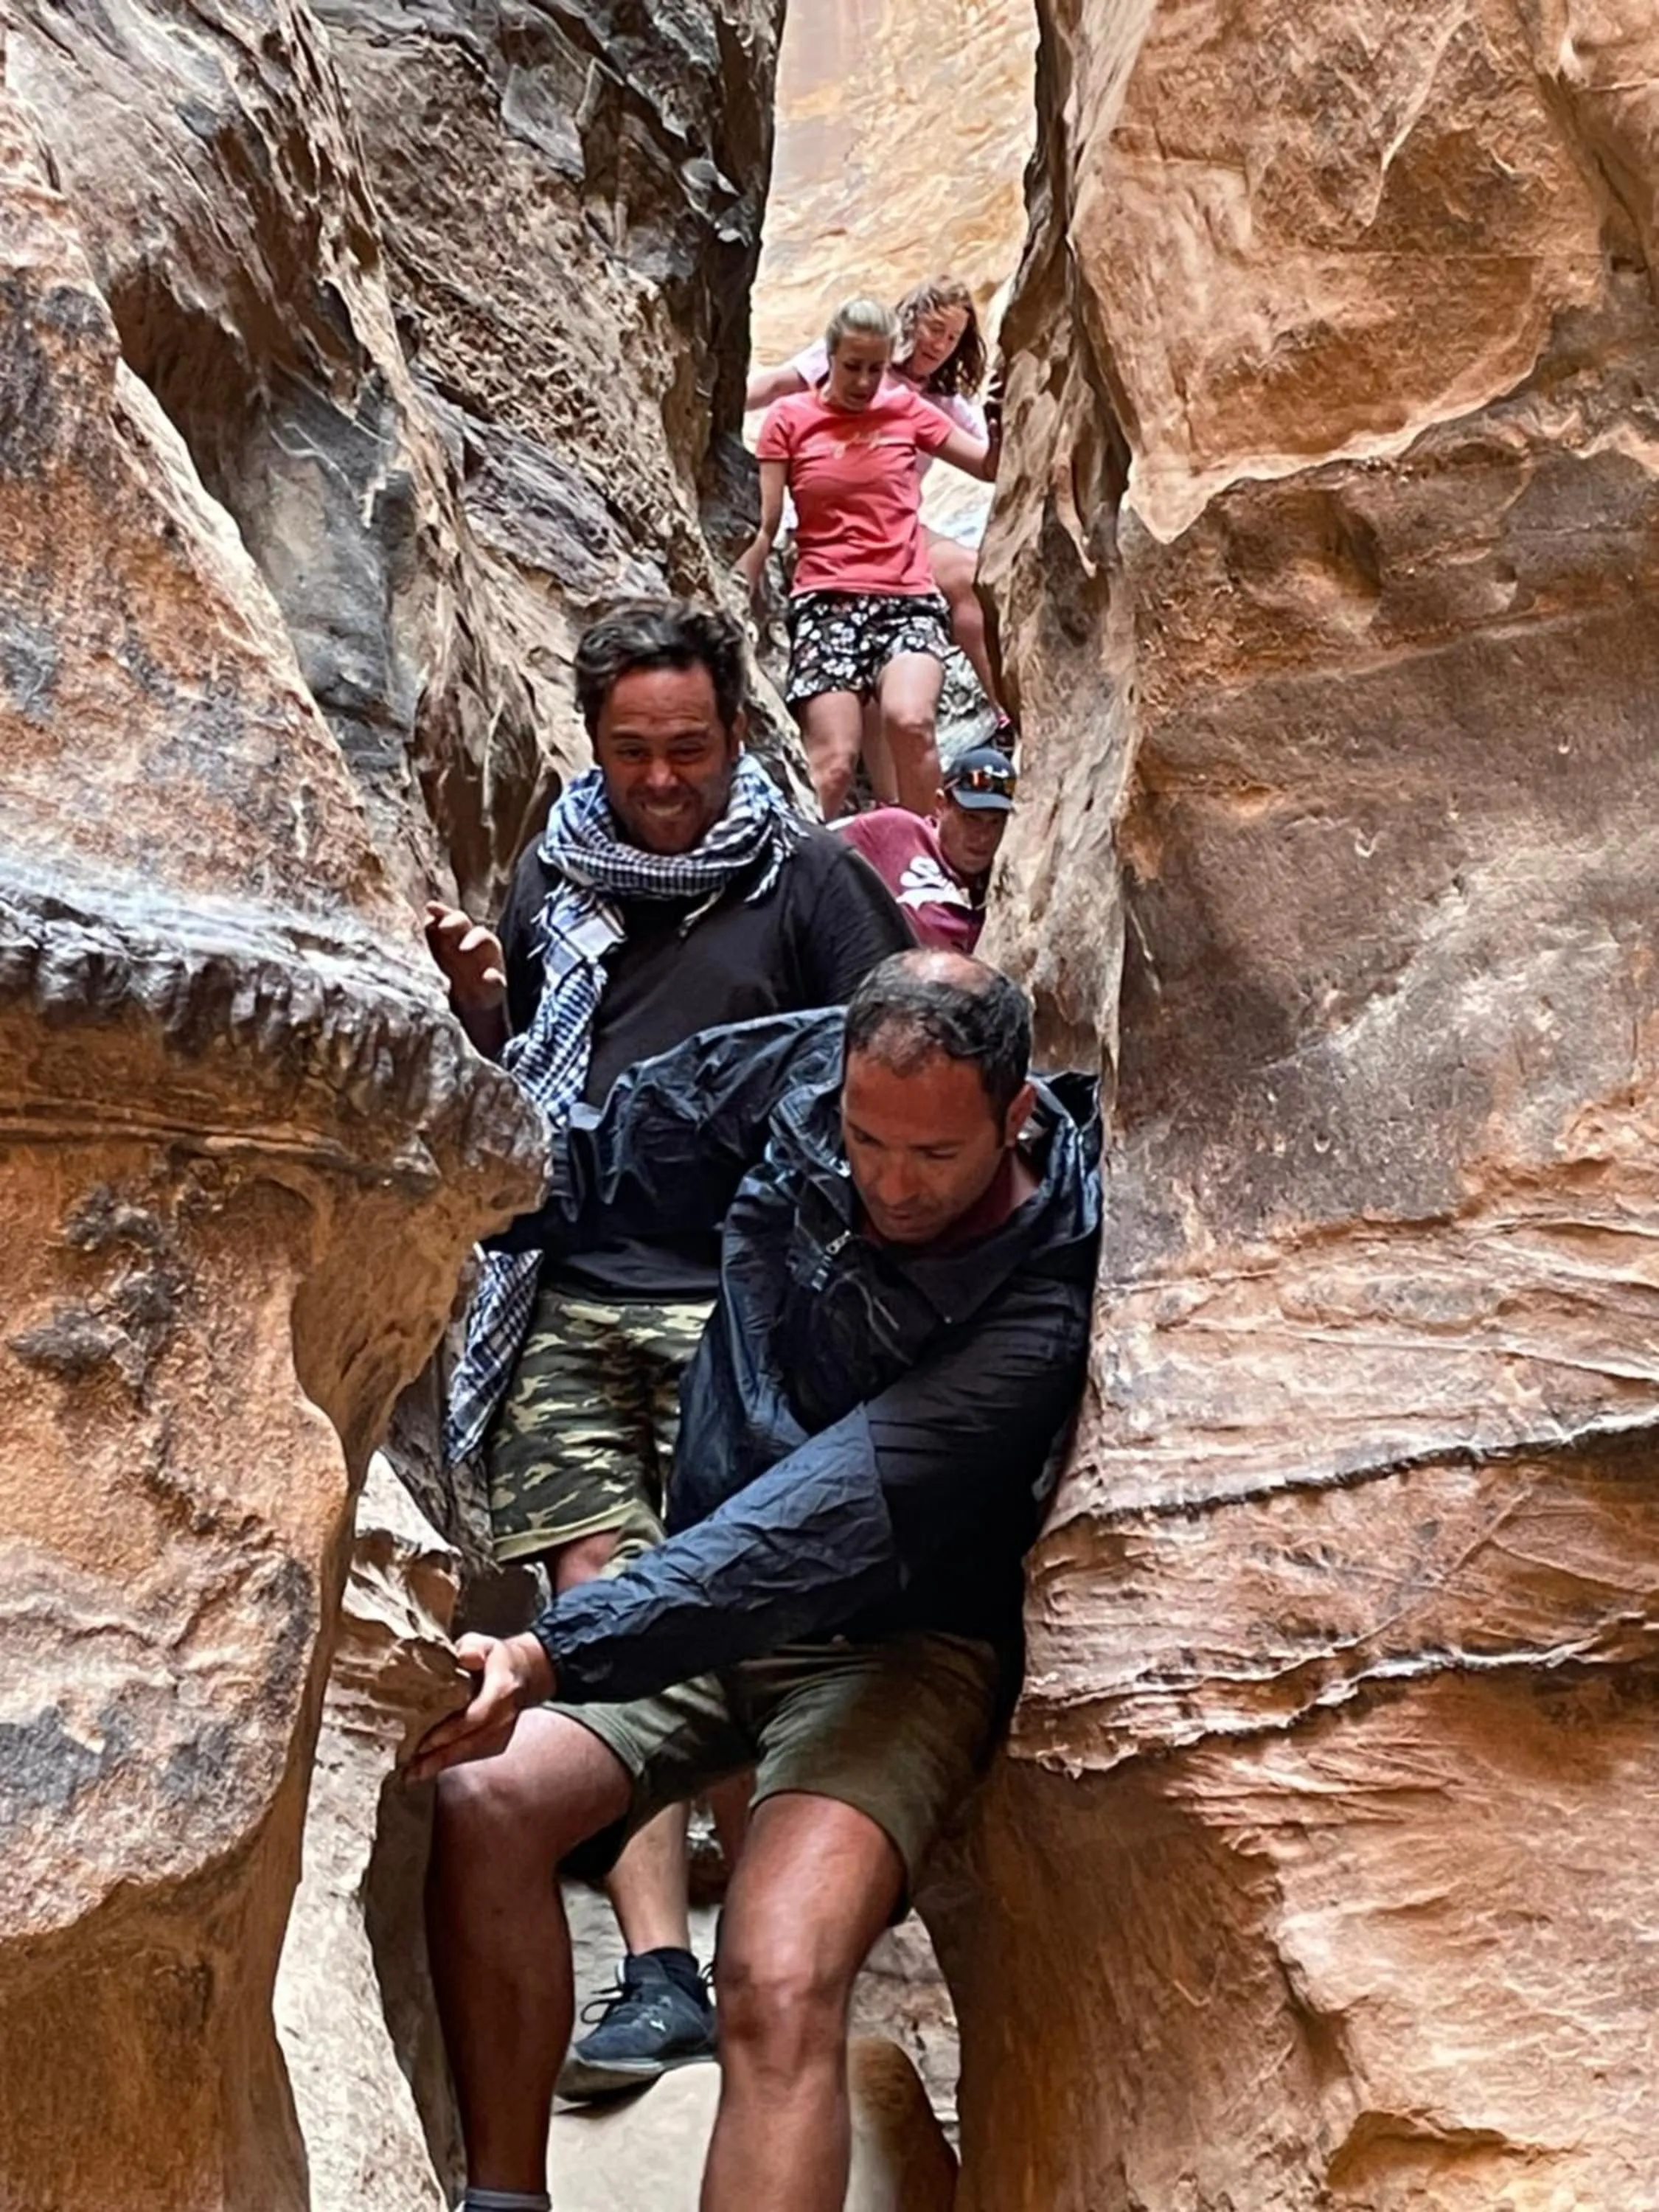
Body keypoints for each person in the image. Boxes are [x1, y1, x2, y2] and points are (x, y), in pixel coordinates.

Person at [412, 950, 1101, 2212]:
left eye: (933, 1157)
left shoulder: (1038, 1305)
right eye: (865, 1139)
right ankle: (503, 2200)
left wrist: (560, 1649)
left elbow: (816, 1521)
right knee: (484, 1803)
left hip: (889, 1652)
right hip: (709, 1616)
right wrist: (420, 1171)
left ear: (1012, 1118)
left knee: (777, 1981)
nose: (887, 1182)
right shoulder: (802, 1077)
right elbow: (598, 1160)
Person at [424, 599, 911, 2101]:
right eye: (634, 750)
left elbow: (897, 1066)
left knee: (721, 1604)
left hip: (739, 1300)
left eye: (690, 747)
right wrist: (488, 1009)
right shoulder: (554, 881)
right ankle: (655, 1970)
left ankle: (764, 1937)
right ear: (592, 744)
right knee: (602, 1600)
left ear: (735, 734)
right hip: (567, 1288)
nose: (663, 777)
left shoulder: (814, 883)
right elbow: (528, 1081)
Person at [737, 297, 995, 824]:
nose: (863, 381)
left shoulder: (907, 410)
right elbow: (765, 522)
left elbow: (988, 466)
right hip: (825, 600)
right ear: (828, 357)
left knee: (910, 720)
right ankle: (796, 873)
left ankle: (924, 864)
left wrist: (1003, 420)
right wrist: (747, 578)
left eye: (875, 370)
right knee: (833, 762)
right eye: (853, 367)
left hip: (906, 599)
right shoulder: (790, 419)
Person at [838, 742, 1017, 953]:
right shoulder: (895, 831)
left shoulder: (1007, 887)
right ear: (941, 805)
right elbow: (816, 850)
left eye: (995, 822)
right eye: (971, 818)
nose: (983, 836)